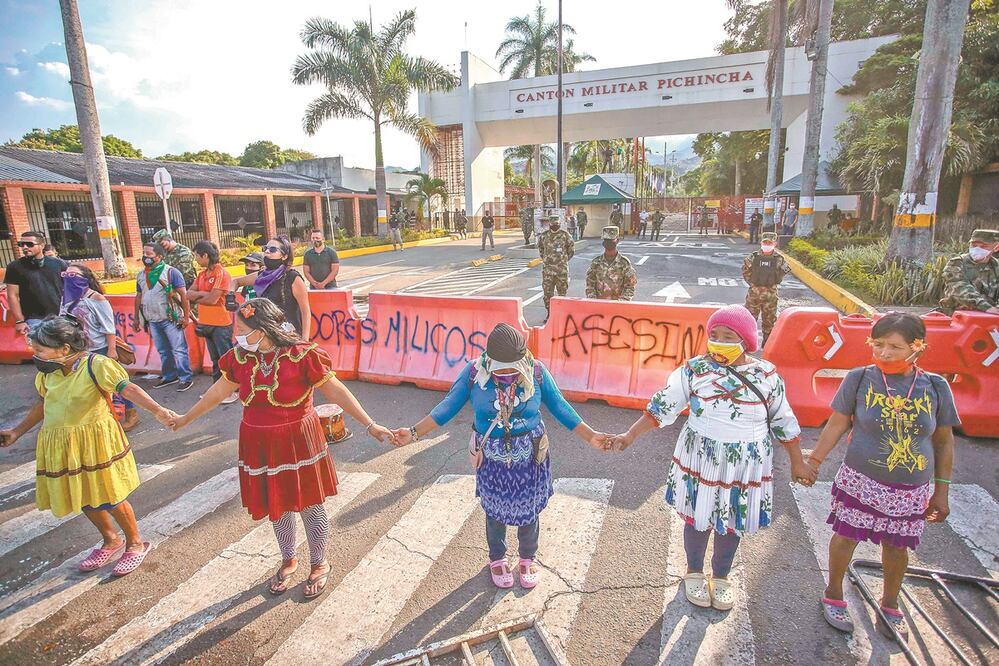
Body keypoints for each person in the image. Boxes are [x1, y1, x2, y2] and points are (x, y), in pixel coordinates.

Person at [169, 298, 396, 598]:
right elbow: (217, 392)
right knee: (277, 506)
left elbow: (338, 391)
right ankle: (289, 558)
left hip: (298, 440)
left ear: (263, 331)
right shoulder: (239, 357)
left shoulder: (303, 355)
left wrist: (370, 424)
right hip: (257, 442)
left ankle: (319, 563)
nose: (237, 335)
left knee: (309, 505)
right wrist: (185, 419)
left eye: (243, 329)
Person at [610, 305, 808, 611]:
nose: (718, 341)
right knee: (698, 517)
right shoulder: (693, 371)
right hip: (702, 457)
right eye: (713, 335)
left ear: (745, 341)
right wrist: (629, 436)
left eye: (727, 336)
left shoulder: (765, 374)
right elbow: (662, 407)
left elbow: (784, 419)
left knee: (732, 522)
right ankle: (693, 572)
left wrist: (798, 461)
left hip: (745, 463)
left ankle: (722, 577)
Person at [391, 323, 609, 589]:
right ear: (488, 360)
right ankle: (497, 558)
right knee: (494, 511)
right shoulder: (473, 374)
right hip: (492, 459)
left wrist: (591, 436)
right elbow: (447, 407)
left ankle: (528, 557)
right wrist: (413, 433)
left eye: (512, 369)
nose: (506, 374)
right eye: (500, 369)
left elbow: (559, 406)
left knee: (529, 510)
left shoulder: (536, 371)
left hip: (530, 457)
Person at [805, 313, 958, 641]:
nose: (884, 353)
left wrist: (941, 491)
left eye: (894, 346)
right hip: (861, 482)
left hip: (911, 490)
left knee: (897, 546)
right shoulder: (860, 379)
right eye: (878, 344)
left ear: (918, 347)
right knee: (845, 537)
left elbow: (943, 441)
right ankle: (833, 593)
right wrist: (815, 459)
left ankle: (890, 603)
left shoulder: (935, 386)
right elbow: (837, 423)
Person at [0, 316, 175, 576]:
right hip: (61, 445)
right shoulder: (48, 373)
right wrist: (17, 432)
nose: (34, 354)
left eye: (40, 350)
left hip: (95, 442)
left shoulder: (97, 365)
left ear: (64, 350)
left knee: (109, 495)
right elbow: (43, 405)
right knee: (82, 495)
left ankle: (135, 543)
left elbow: (128, 390)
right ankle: (110, 540)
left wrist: (159, 411)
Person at [59, 264, 140, 431]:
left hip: (100, 349)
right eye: (66, 274)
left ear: (84, 278)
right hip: (78, 351)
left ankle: (131, 413)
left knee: (116, 382)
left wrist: (111, 350)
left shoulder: (97, 299)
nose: (68, 277)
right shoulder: (65, 298)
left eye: (73, 275)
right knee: (90, 387)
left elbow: (109, 327)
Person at [134, 243, 193, 391]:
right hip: (153, 319)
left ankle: (185, 378)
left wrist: (186, 317)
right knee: (163, 350)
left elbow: (184, 296)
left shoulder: (171, 273)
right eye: (144, 254)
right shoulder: (142, 275)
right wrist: (137, 318)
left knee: (179, 349)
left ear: (159, 257)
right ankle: (170, 376)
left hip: (171, 319)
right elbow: (139, 296)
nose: (145, 257)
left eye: (149, 255)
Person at [229, 236, 311, 339]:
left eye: (272, 249)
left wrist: (304, 340)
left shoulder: (293, 278)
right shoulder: (261, 276)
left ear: (284, 256)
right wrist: (230, 297)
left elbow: (305, 311)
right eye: (265, 248)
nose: (267, 252)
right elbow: (236, 281)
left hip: (289, 338)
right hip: (267, 338)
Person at [188, 241, 238, 405]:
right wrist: (204, 293)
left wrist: (200, 295)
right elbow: (188, 294)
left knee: (226, 359)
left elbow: (212, 299)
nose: (195, 259)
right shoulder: (202, 275)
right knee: (215, 360)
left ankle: (232, 390)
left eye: (197, 255)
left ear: (205, 255)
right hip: (206, 323)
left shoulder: (221, 274)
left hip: (221, 324)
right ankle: (218, 389)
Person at [4, 230, 67, 336]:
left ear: (42, 245)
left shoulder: (59, 264)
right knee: (41, 351)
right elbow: (12, 295)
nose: (25, 247)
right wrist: (20, 321)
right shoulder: (14, 267)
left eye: (29, 244)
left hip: (60, 317)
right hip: (33, 320)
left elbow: (69, 288)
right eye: (21, 244)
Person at [743, 232, 791, 345]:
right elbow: (745, 272)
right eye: (765, 242)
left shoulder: (779, 259)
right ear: (761, 243)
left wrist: (772, 283)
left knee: (769, 322)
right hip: (754, 295)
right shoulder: (753, 257)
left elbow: (782, 273)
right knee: (749, 321)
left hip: (770, 296)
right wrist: (753, 284)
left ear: (775, 243)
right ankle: (748, 344)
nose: (767, 244)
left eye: (770, 242)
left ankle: (767, 345)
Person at [939, 228, 999, 314]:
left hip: (989, 316)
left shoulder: (996, 266)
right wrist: (986, 307)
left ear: (996, 247)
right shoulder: (956, 263)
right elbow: (959, 289)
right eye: (974, 245)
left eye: (983, 246)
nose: (977, 249)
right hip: (956, 316)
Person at [536, 215, 575, 320]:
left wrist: (563, 261)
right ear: (550, 224)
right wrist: (546, 259)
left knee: (562, 293)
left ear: (560, 224)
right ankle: (550, 314)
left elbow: (571, 251)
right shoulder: (544, 236)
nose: (555, 226)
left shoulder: (565, 236)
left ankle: (561, 315)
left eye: (557, 224)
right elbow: (540, 249)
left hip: (561, 271)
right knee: (547, 294)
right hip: (548, 271)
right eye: (553, 225)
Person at [586, 226, 637, 301]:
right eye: (606, 240)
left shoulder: (624, 263)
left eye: (611, 240)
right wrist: (593, 301)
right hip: (599, 306)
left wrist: (621, 303)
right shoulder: (596, 263)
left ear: (617, 240)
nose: (608, 243)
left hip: (618, 307)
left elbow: (630, 286)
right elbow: (590, 284)